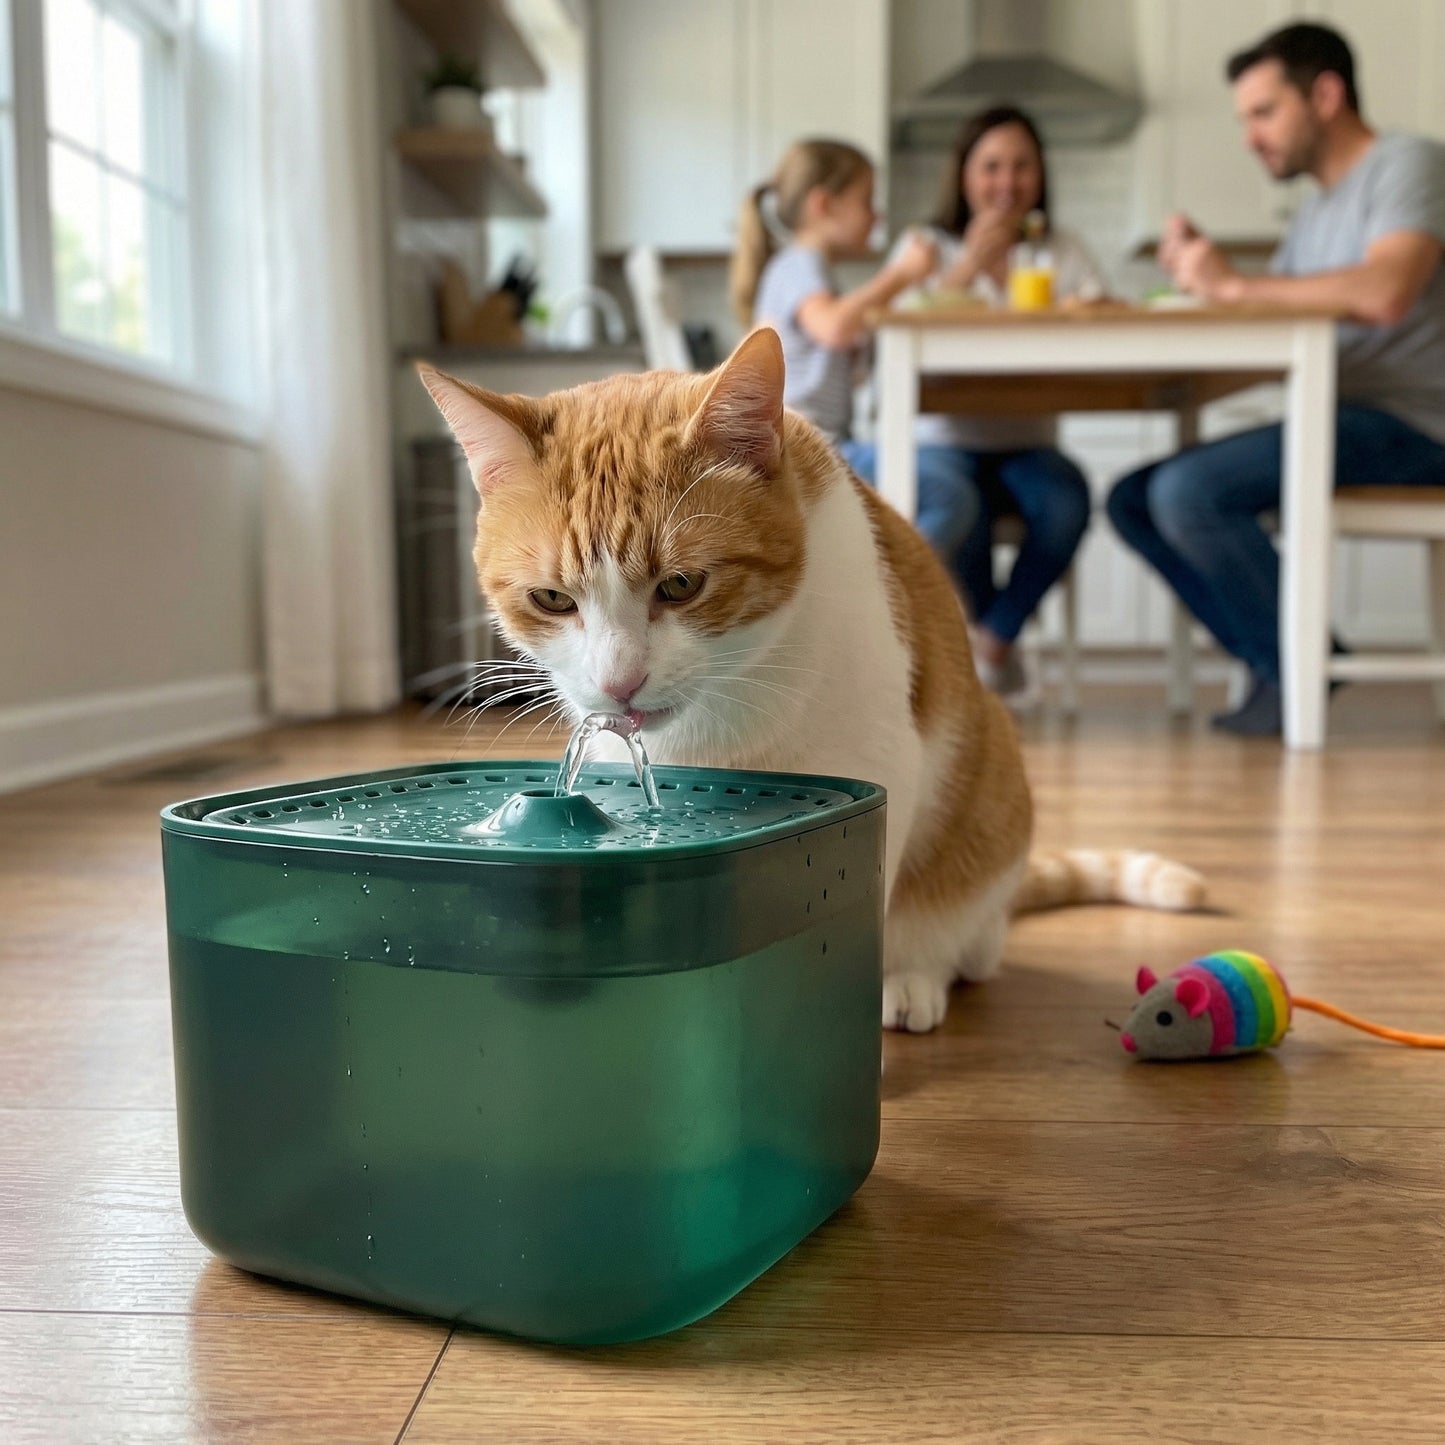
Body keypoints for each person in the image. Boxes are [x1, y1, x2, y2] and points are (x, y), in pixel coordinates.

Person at [1107, 22, 1445, 736]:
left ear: (1324, 94)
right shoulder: (1313, 214)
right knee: (1132, 498)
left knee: (1187, 491)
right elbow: (1269, 321)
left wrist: (1230, 286)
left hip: (1414, 423)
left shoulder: (1406, 163)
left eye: (1263, 113)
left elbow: (1386, 291)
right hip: (1343, 418)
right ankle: (1291, 658)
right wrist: (1207, 282)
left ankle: (1296, 668)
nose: (1249, 136)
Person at [877, 106, 1101, 704]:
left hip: (1029, 443)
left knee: (1066, 503)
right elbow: (891, 332)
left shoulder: (1063, 249)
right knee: (962, 507)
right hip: (945, 441)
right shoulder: (926, 247)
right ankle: (984, 641)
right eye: (992, 167)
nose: (1007, 182)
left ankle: (993, 641)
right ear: (965, 176)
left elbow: (1095, 323)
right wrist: (969, 266)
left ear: (1040, 175)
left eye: (1021, 166)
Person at [729, 138, 982, 617]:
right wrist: (902, 274)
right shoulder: (798, 264)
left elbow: (837, 340)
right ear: (824, 204)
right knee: (951, 494)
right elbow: (835, 326)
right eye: (867, 201)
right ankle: (886, 596)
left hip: (821, 444)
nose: (876, 216)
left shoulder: (807, 269)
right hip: (813, 449)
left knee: (945, 486)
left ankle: (871, 588)